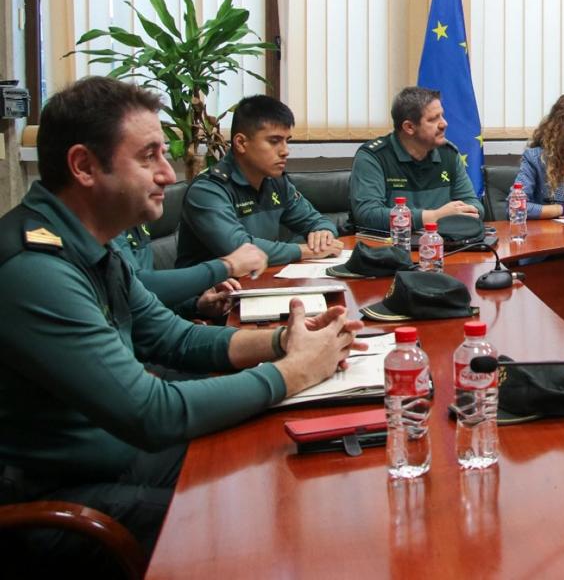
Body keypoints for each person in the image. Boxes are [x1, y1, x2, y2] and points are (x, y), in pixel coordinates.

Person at [0, 77, 361, 568]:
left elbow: (174, 336)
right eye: (149, 156)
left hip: (119, 453)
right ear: (84, 166)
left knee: (289, 455)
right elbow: (153, 413)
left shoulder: (91, 244)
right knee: (246, 521)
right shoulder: (35, 268)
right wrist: (296, 372)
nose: (169, 174)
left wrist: (284, 341)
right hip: (59, 497)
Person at [176, 95, 342, 268]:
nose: (286, 151)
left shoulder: (276, 182)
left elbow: (316, 220)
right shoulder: (208, 190)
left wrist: (324, 232)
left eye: (287, 141)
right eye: (274, 141)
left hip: (261, 283)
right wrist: (306, 251)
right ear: (241, 143)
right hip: (213, 292)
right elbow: (240, 248)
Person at [350, 86, 484, 233]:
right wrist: (434, 216)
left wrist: (466, 212)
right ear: (409, 127)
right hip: (390, 248)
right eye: (433, 119)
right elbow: (367, 215)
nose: (444, 123)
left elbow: (473, 204)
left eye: (442, 115)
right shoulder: (374, 157)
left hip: (442, 243)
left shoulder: (448, 154)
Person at [112, 225, 266, 319]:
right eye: (145, 168)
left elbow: (147, 303)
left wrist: (196, 306)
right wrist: (227, 266)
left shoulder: (136, 218)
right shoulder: (108, 230)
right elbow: (137, 286)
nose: (170, 178)